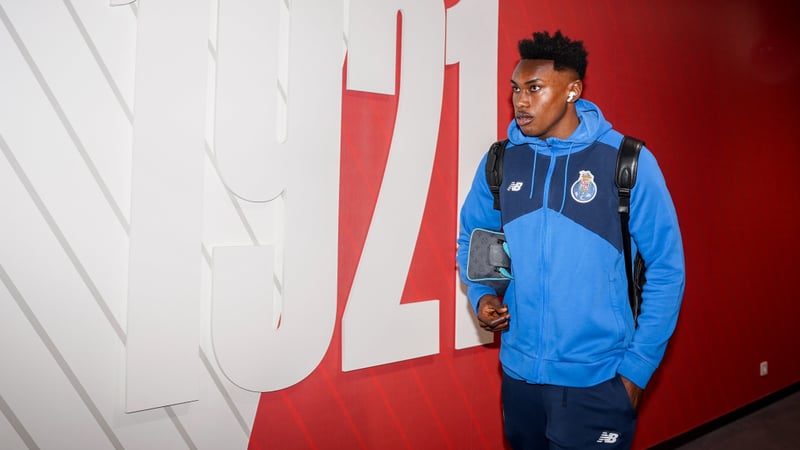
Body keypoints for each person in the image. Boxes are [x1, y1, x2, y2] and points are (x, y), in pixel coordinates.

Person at [456, 30, 685, 449]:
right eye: (516, 89)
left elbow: (667, 271)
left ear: (572, 91)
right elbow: (477, 236)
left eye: (534, 88)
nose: (520, 101)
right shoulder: (501, 161)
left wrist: (636, 371)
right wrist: (484, 295)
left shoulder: (626, 161)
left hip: (599, 380)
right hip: (520, 377)